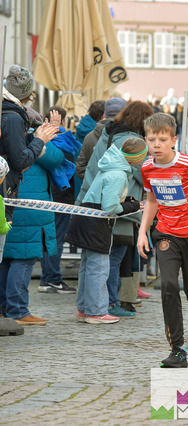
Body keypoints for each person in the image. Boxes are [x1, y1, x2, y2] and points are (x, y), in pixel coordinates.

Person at [136, 113, 188, 368]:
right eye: (152, 139)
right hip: (167, 234)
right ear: (146, 140)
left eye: (162, 139)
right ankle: (178, 349)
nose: (157, 145)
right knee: (169, 284)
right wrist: (142, 232)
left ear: (173, 140)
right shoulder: (147, 167)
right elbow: (152, 200)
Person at [66, 138, 145, 324]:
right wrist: (132, 206)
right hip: (97, 224)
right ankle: (96, 312)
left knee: (88, 267)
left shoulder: (111, 166)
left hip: (87, 218)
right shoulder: (119, 174)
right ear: (137, 157)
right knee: (99, 268)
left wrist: (127, 202)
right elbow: (110, 206)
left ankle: (84, 309)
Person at [0, 108, 67, 326]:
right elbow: (56, 158)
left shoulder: (6, 137)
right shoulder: (33, 140)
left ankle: (5, 309)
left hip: (11, 203)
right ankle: (18, 310)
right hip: (30, 209)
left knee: (7, 258)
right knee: (24, 257)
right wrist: (48, 135)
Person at [0, 65, 57, 263]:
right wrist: (39, 140)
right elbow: (20, 160)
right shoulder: (13, 118)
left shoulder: (7, 112)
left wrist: (33, 137)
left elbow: (13, 149)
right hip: (4, 190)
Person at [38, 107, 83, 295]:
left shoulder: (37, 138)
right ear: (63, 121)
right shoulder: (62, 139)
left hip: (48, 195)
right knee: (54, 239)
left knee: (49, 238)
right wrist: (57, 130)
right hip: (61, 197)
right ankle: (52, 279)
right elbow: (63, 160)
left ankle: (46, 278)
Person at [76, 97, 128, 181]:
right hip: (122, 188)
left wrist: (94, 182)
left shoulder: (89, 136)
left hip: (91, 187)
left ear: (104, 115)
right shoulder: (129, 137)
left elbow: (80, 167)